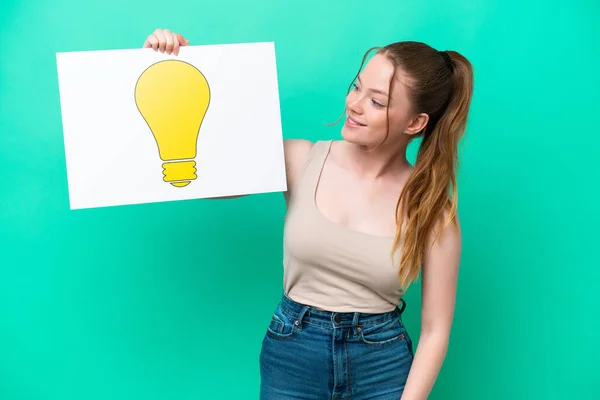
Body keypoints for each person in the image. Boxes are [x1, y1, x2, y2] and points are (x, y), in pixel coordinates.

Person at [143, 28, 474, 399]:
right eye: (356, 86)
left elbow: (435, 331)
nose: (354, 104)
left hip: (382, 364)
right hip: (292, 353)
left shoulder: (432, 209)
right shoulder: (300, 159)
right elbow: (205, 179)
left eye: (377, 101)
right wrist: (173, 64)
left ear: (415, 123)